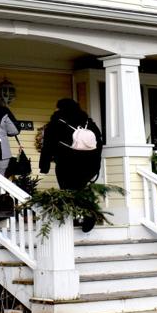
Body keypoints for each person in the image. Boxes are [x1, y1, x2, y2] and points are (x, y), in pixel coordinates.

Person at [40, 99, 107, 232]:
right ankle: (79, 216)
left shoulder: (56, 123)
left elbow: (48, 145)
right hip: (89, 164)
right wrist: (96, 163)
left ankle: (88, 213)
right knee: (79, 189)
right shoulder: (88, 122)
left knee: (68, 191)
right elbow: (98, 142)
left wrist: (44, 165)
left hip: (67, 163)